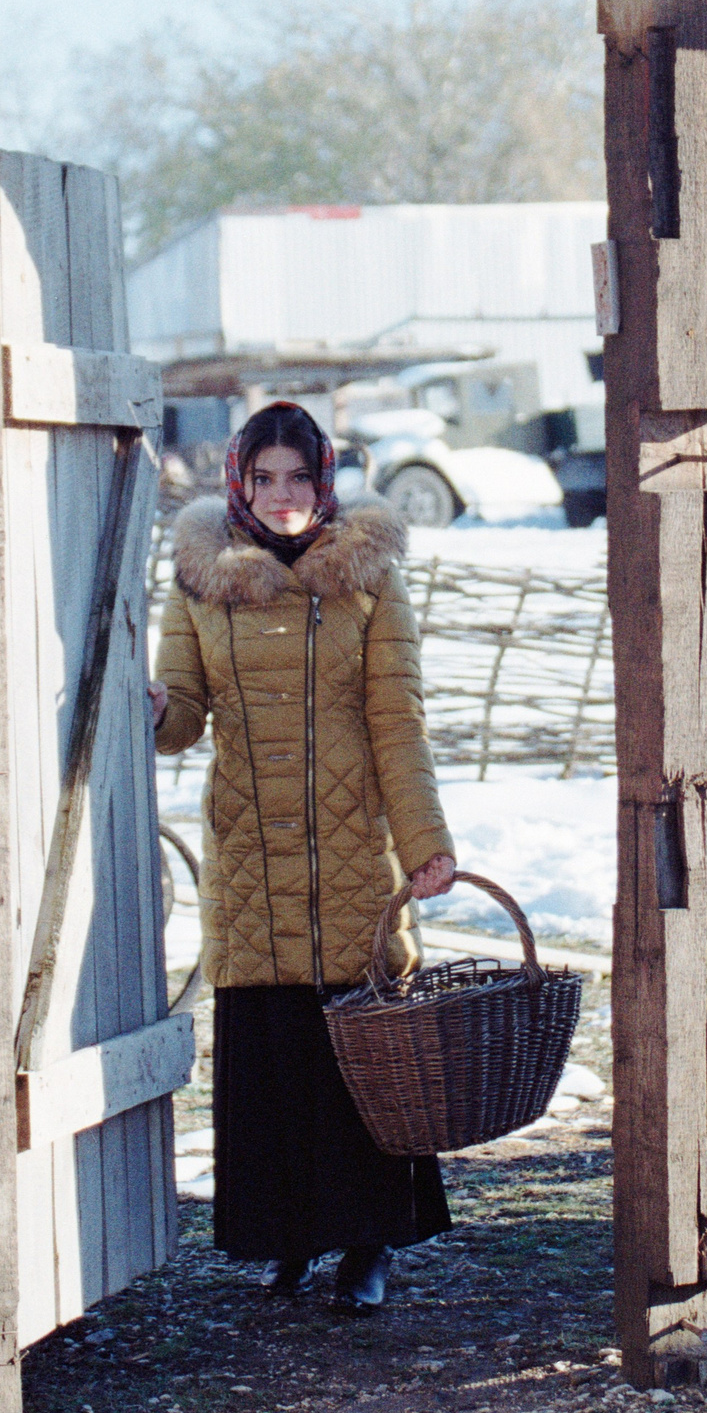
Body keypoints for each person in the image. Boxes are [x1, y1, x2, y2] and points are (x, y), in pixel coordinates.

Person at [149, 400, 459, 1315]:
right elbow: (182, 724)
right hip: (253, 855)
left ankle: (369, 1244)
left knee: (361, 1052)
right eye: (263, 478)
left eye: (297, 477)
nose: (281, 496)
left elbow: (397, 722)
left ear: (323, 480)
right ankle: (287, 1238)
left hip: (349, 856)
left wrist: (426, 844)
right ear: (239, 484)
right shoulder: (200, 582)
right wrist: (154, 704)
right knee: (274, 1051)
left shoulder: (368, 580)